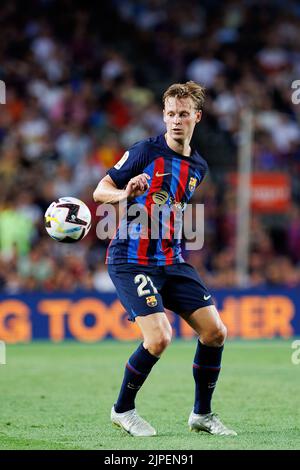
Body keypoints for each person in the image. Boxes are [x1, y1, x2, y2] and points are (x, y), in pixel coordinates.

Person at [93, 81, 237, 437]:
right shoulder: (144, 151)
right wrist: (126, 193)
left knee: (215, 332)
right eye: (170, 114)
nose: (176, 120)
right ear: (163, 115)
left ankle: (201, 415)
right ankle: (122, 410)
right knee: (158, 339)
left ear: (196, 117)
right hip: (131, 258)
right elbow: (100, 191)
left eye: (183, 114)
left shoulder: (199, 166)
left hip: (171, 259)